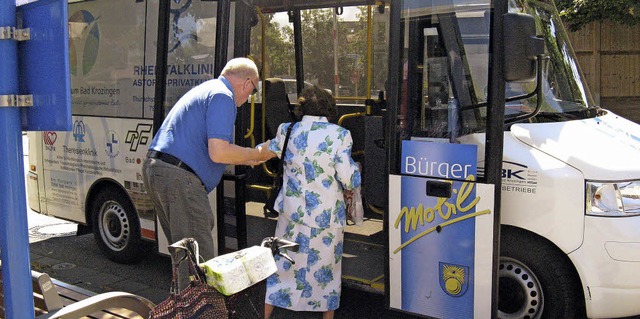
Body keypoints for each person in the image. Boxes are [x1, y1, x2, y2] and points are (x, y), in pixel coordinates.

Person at [142, 57, 275, 263]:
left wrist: (246, 159)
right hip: (180, 177)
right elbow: (219, 152)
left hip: (159, 170)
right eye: (253, 91)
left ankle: (186, 295)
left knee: (184, 258)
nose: (249, 96)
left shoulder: (208, 89)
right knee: (197, 262)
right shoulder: (223, 96)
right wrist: (257, 154)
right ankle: (199, 296)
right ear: (247, 83)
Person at [260, 85, 361, 319]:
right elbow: (348, 178)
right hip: (326, 218)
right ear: (330, 108)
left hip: (291, 214)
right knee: (327, 272)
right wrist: (357, 170)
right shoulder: (339, 135)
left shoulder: (287, 129)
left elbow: (267, 150)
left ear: (301, 107)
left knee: (281, 268)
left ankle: (264, 315)